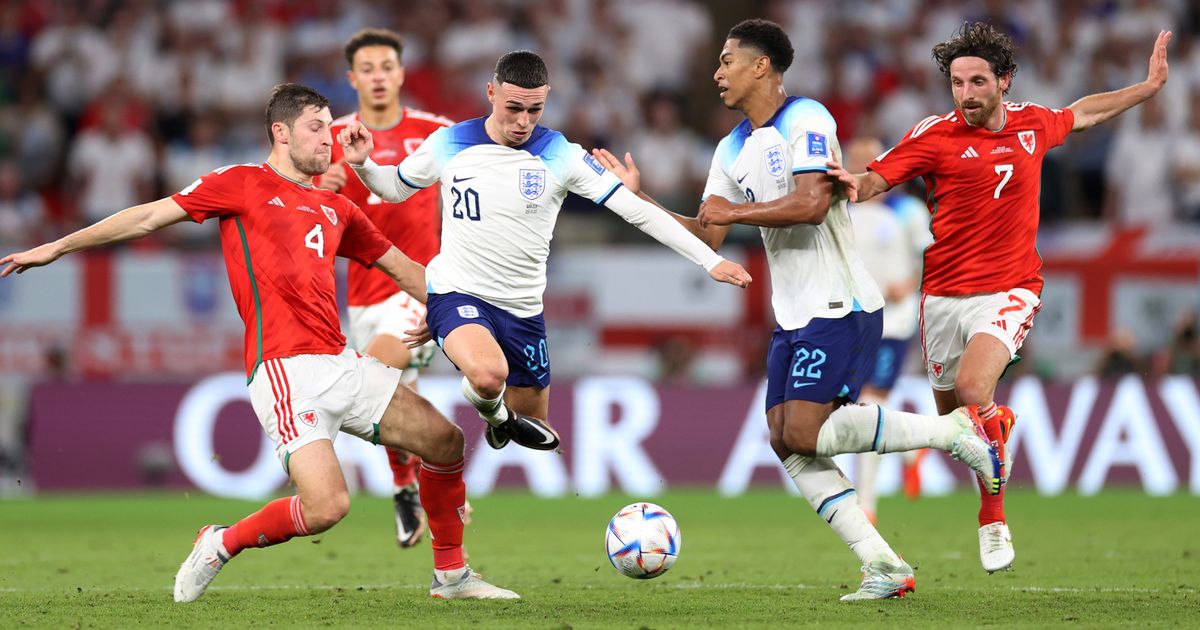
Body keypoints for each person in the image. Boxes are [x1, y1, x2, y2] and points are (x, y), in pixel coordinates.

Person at [0, 83, 518, 602]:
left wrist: (466, 316)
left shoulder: (336, 207)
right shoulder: (241, 184)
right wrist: (59, 246)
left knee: (446, 443)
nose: (329, 140)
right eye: (317, 129)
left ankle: (451, 578)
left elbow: (406, 270)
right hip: (285, 372)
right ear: (281, 132)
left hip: (342, 362)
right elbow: (148, 216)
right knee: (327, 508)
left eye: (329, 128)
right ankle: (220, 542)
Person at [592, 19, 1001, 601]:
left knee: (804, 430)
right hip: (794, 312)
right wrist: (641, 201)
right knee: (785, 440)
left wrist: (733, 214)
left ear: (762, 66)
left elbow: (812, 204)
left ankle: (953, 432)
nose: (717, 72)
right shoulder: (730, 148)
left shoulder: (807, 118)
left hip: (841, 302)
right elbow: (707, 235)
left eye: (728, 60)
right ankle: (883, 564)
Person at [826, 23, 1172, 573]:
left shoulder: (1034, 124)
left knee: (972, 388)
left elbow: (1085, 113)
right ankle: (994, 425)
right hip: (941, 296)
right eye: (957, 83)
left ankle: (993, 518)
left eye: (978, 81)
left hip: (1010, 288)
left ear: (1004, 81)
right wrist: (851, 183)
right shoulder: (933, 134)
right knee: (955, 424)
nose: (966, 94)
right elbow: (878, 178)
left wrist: (1146, 88)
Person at [340, 50, 753, 452]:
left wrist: (710, 260)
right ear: (491, 93)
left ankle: (497, 415)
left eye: (534, 110)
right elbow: (394, 187)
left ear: (547, 99)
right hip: (456, 293)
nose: (523, 121)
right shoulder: (449, 142)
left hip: (522, 310)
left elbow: (637, 213)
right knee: (487, 375)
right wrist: (364, 165)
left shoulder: (561, 155)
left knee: (538, 430)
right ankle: (495, 410)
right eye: (513, 108)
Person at [315, 28, 455, 551]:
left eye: (386, 67)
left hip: (419, 290)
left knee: (373, 372)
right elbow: (295, 197)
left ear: (401, 73)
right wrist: (315, 188)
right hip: (360, 297)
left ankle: (427, 470)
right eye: (366, 69)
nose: (377, 77)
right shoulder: (330, 140)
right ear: (352, 78)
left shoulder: (435, 133)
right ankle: (409, 486)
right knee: (392, 395)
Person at [842, 137, 931, 521]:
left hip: (892, 321)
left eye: (870, 160)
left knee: (870, 402)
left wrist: (909, 284)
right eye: (856, 160)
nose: (863, 167)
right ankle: (913, 447)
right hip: (849, 321)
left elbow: (932, 256)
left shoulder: (907, 211)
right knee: (853, 405)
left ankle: (867, 503)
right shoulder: (838, 210)